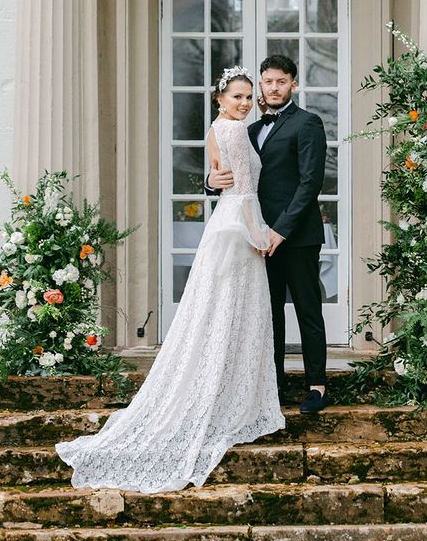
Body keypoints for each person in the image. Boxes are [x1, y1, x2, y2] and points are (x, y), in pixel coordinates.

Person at [55, 67, 284, 492]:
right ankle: (229, 399)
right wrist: (260, 236)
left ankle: (218, 392)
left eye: (249, 97)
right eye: (238, 96)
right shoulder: (234, 132)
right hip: (239, 230)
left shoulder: (218, 130)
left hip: (222, 226)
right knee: (233, 313)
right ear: (220, 99)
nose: (245, 103)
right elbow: (246, 192)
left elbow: (221, 180)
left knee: (215, 313)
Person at [207, 55, 328, 413]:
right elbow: (232, 176)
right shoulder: (247, 128)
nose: (273, 87)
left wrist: (280, 230)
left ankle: (317, 386)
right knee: (268, 313)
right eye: (267, 81)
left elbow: (310, 183)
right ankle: (270, 387)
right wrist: (211, 183)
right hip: (255, 237)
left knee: (308, 309)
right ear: (260, 85)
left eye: (280, 81)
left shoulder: (308, 123)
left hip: (297, 235)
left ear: (293, 84)